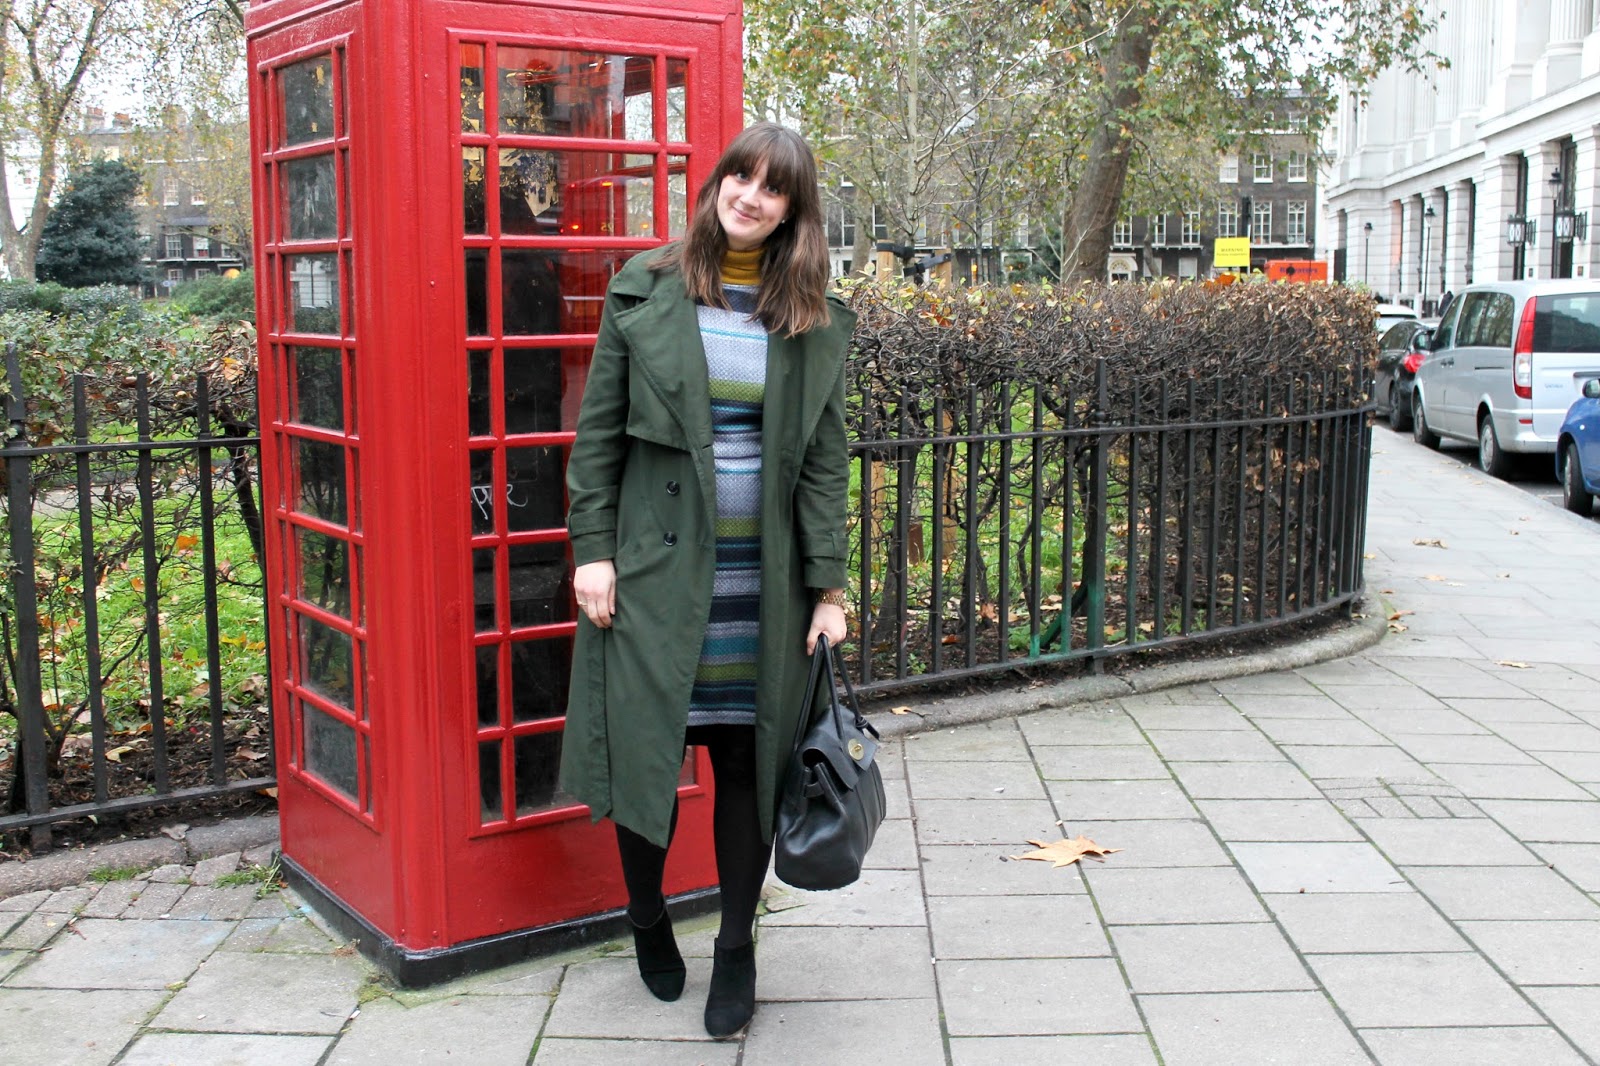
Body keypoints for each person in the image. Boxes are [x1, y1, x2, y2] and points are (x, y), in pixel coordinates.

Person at [558, 122, 854, 1039]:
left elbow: (824, 463)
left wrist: (829, 589)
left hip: (759, 580)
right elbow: (597, 436)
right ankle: (647, 915)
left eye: (773, 188)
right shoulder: (646, 286)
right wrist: (592, 550)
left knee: (746, 766)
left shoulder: (809, 315)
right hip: (654, 571)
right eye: (740, 177)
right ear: (717, 182)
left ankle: (735, 945)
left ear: (793, 212)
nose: (750, 197)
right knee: (645, 754)